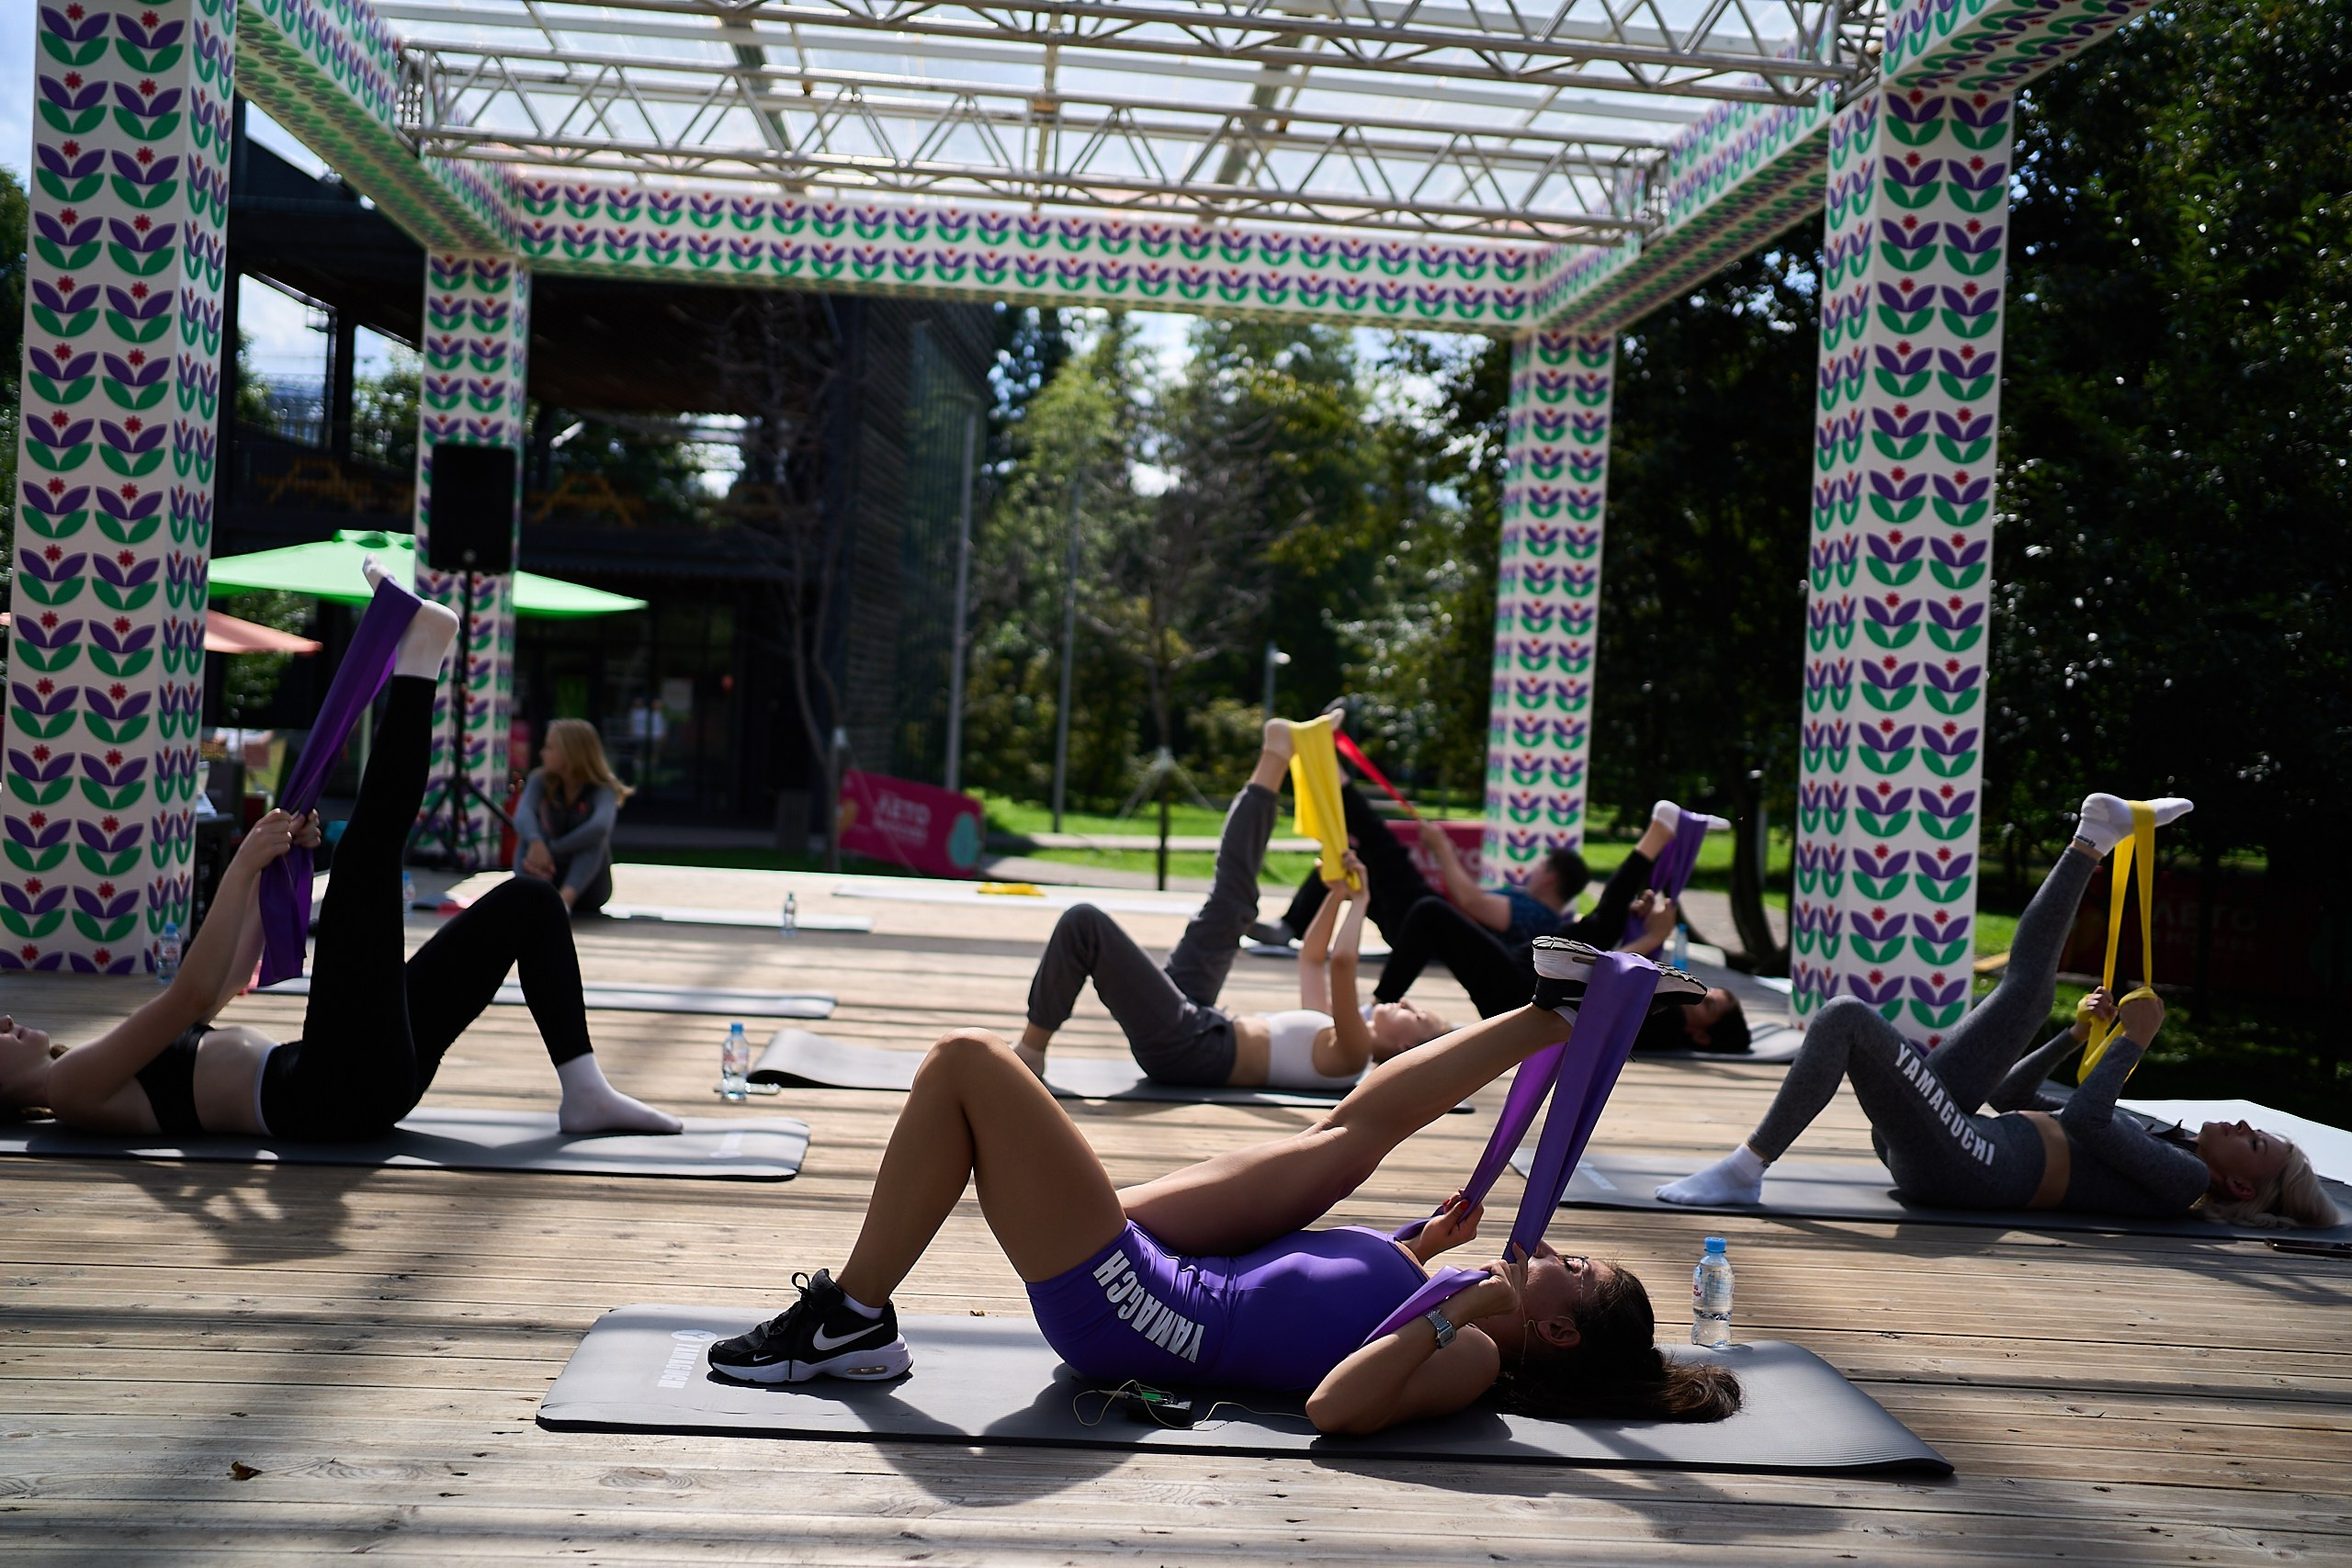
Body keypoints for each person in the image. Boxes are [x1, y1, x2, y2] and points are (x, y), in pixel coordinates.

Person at [707, 938, 1739, 1437]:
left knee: (969, 1064)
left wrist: (1446, 1303)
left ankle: (848, 1321)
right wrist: (1418, 1251)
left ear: (1557, 1333)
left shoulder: (1470, 1355)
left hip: (1152, 1317)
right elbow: (1328, 1289)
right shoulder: (1451, 1301)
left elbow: (1336, 1407)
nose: (1554, 1250)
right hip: (1184, 1263)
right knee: (1346, 1137)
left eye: (1576, 1270)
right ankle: (1546, 1014)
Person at [0, 564, 680, 1143]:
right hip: (333, 1089)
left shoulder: (87, 1067)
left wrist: (273, 867)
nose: (6, 1019)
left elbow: (226, 982)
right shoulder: (69, 1089)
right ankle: (418, 661)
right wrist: (242, 862)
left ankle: (583, 1087)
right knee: (365, 860)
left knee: (526, 902)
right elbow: (192, 992)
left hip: (356, 1073)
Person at [1655, 794, 2339, 1229]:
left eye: (2255, 1140)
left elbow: (2083, 1116)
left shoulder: (2187, 1180)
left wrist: (2132, 1044)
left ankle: (1744, 1170)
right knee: (2027, 994)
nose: (2248, 1124)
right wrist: (2072, 1037)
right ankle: (2089, 840)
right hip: (1962, 1134)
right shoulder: (2174, 1141)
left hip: (1969, 1163)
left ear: (2241, 1181)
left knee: (1844, 1017)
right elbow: (2018, 1096)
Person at [1019, 721, 1453, 1090]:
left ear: (1405, 1048)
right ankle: (1276, 751)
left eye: (1417, 1016)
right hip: (1199, 1022)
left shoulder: (1353, 1054)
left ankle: (1030, 1052)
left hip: (1190, 1047)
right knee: (1233, 903)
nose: (1407, 1004)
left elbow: (1341, 963)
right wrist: (1337, 894)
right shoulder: (1335, 1035)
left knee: (1085, 924)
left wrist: (1361, 901)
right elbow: (1311, 958)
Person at [1369, 800, 1753, 1052]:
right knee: (1599, 927)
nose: (1701, 994)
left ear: (1701, 1034)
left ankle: (1376, 1005)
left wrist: (1653, 938)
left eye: (1710, 1003)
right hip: (1532, 980)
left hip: (1525, 999)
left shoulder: (1666, 1027)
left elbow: (1605, 980)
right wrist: (1644, 933)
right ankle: (1656, 836)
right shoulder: (1670, 1011)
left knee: (1431, 912)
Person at [515, 717, 631, 916]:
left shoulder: (603, 788)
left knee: (595, 843)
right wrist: (537, 843)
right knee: (528, 836)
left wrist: (553, 848)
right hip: (547, 871)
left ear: (571, 753)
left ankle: (564, 902)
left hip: (588, 887)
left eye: (550, 748)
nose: (542, 753)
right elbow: (522, 814)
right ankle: (526, 893)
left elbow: (600, 827)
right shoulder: (540, 779)